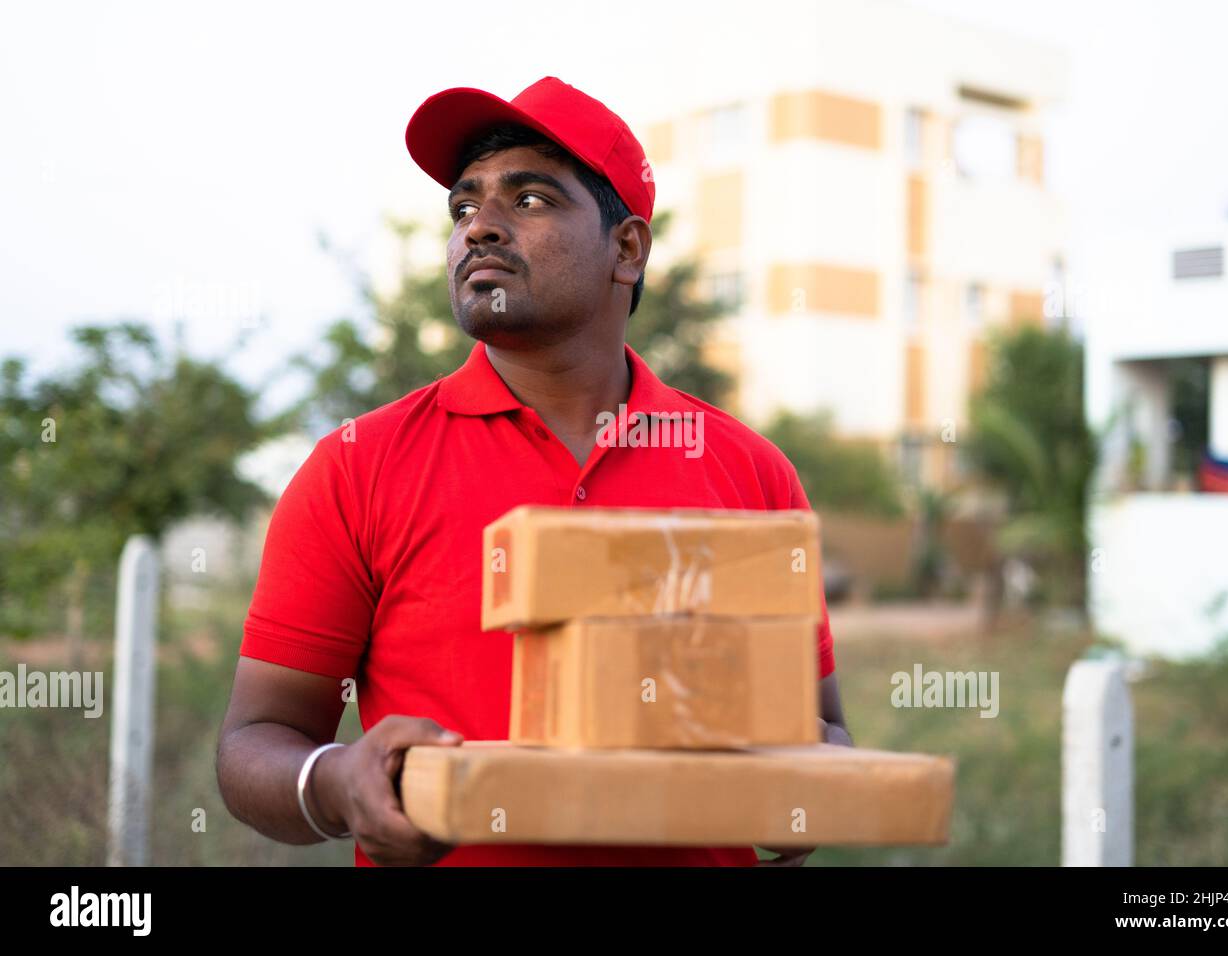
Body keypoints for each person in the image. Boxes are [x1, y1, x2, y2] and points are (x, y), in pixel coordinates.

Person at [216, 76, 852, 867]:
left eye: (530, 200)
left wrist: (797, 790)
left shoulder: (750, 471)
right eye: (463, 206)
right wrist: (338, 779)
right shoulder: (358, 466)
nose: (479, 228)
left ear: (627, 250)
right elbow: (255, 742)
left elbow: (820, 728)